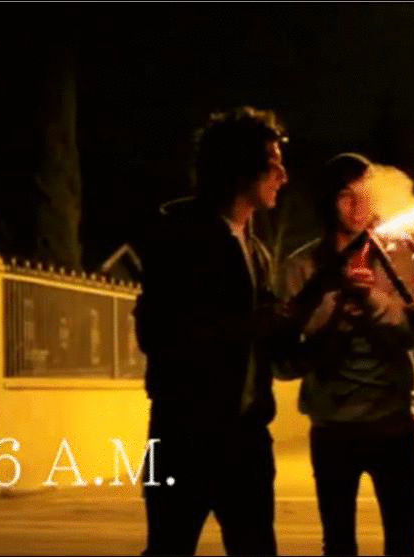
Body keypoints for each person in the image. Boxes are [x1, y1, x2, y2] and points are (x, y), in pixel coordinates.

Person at [133, 106, 290, 556]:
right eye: (273, 163)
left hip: (247, 439)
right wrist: (247, 326)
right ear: (241, 170)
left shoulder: (256, 249)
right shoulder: (180, 236)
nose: (283, 175)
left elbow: (273, 351)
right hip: (183, 436)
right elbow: (159, 335)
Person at [277, 153, 414, 556]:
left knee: (403, 545)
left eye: (365, 194)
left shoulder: (401, 258)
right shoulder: (302, 268)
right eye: (345, 196)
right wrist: (337, 318)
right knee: (338, 544)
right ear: (328, 202)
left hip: (393, 424)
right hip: (333, 428)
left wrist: (372, 303)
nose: (358, 207)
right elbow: (286, 360)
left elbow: (410, 337)